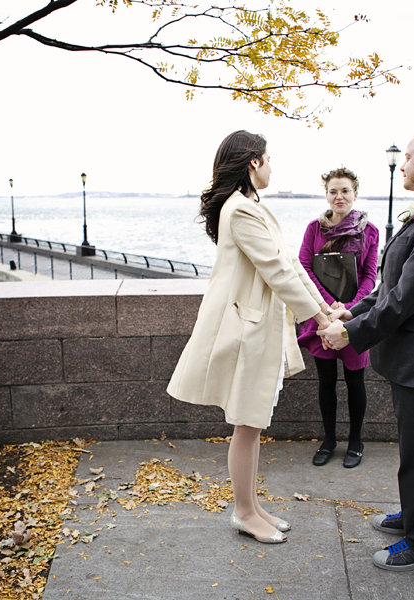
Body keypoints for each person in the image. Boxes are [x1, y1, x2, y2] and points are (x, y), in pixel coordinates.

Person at [167, 130, 333, 545]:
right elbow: (277, 272)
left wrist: (325, 311)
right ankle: (243, 511)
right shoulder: (240, 210)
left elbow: (290, 266)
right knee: (247, 423)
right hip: (249, 330)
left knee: (253, 424)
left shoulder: (250, 206)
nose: (272, 166)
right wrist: (321, 320)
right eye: (268, 158)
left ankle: (252, 507)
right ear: (253, 163)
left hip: (260, 328)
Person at [319, 127, 414, 571]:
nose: (400, 164)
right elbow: (390, 286)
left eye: (406, 156)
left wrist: (351, 335)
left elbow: (406, 300)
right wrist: (353, 311)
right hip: (413, 353)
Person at [296, 168, 379, 468]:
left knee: (356, 382)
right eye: (333, 191)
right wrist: (329, 306)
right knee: (326, 381)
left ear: (355, 194)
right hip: (322, 317)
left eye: (345, 190)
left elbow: (371, 276)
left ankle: (356, 441)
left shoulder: (370, 231)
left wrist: (350, 309)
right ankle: (329, 440)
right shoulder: (313, 229)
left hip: (353, 318)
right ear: (326, 194)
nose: (339, 196)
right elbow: (304, 268)